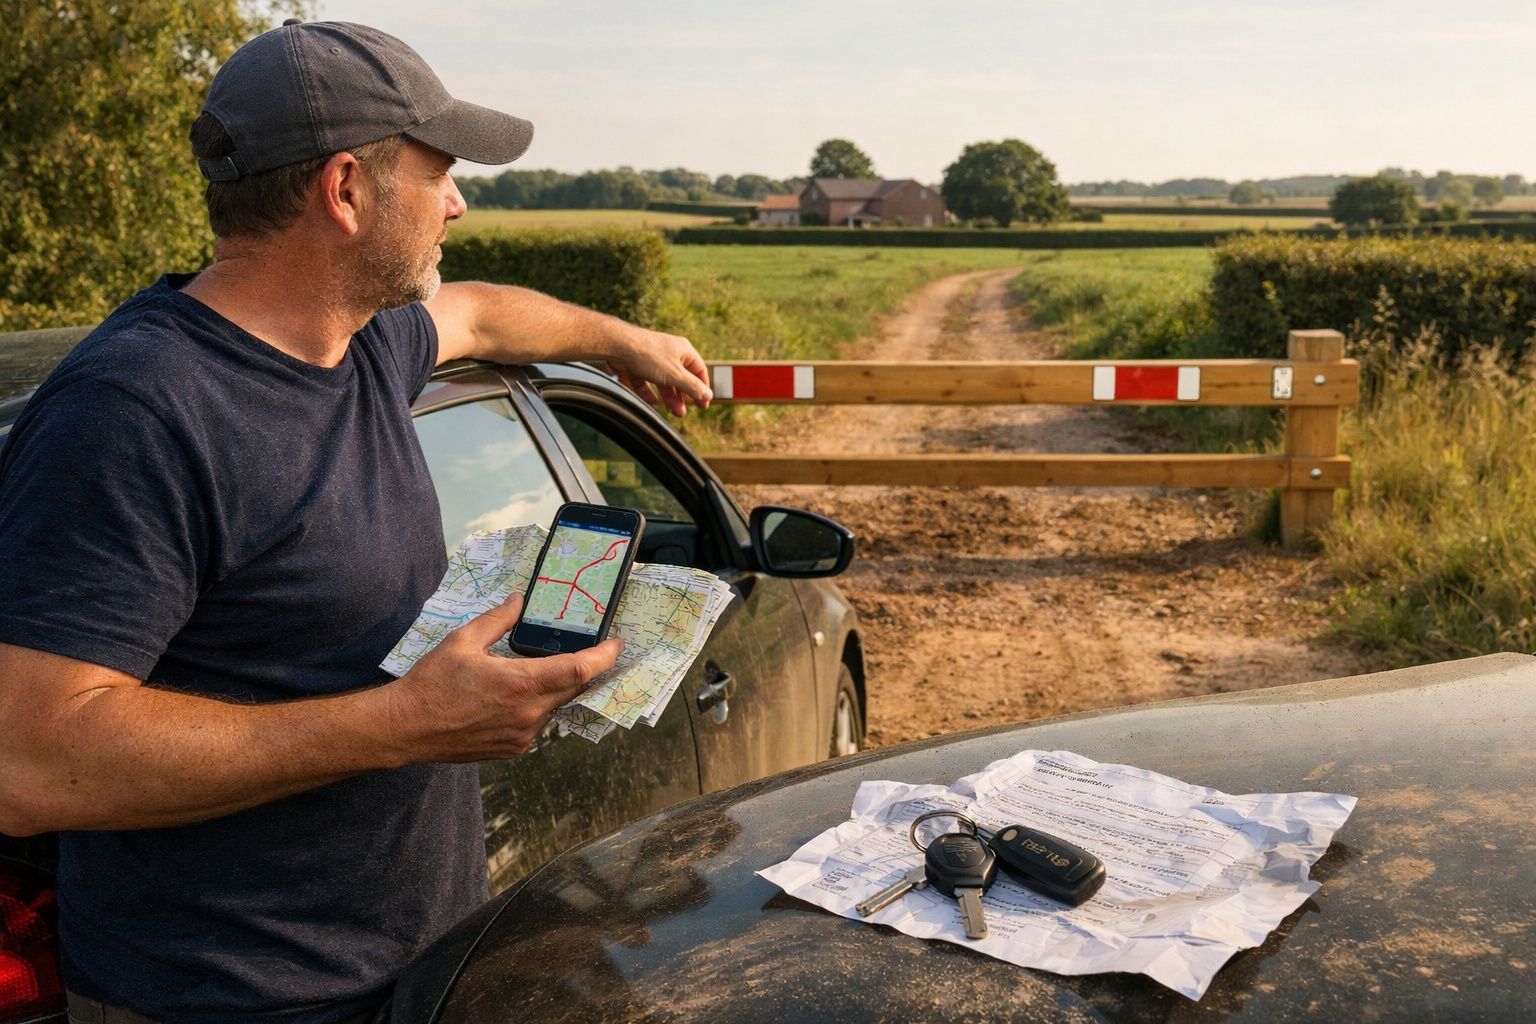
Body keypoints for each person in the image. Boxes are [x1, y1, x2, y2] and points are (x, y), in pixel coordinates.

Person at [0, 19, 711, 1024]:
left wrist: (628, 340)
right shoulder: (137, 411)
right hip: (228, 1003)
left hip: (410, 974)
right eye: (440, 174)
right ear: (345, 190)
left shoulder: (360, 348)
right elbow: (26, 759)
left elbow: (483, 312)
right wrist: (404, 723)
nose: (458, 203)